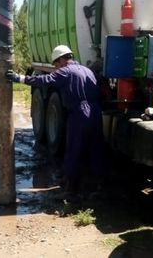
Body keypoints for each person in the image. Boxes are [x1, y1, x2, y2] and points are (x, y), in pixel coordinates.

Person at [6, 45, 106, 202]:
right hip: (95, 113)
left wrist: (20, 78)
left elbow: (45, 80)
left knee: (73, 151)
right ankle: (99, 188)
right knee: (95, 150)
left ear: (61, 59)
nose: (55, 67)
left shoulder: (65, 71)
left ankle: (72, 191)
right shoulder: (88, 71)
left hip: (79, 113)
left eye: (56, 64)